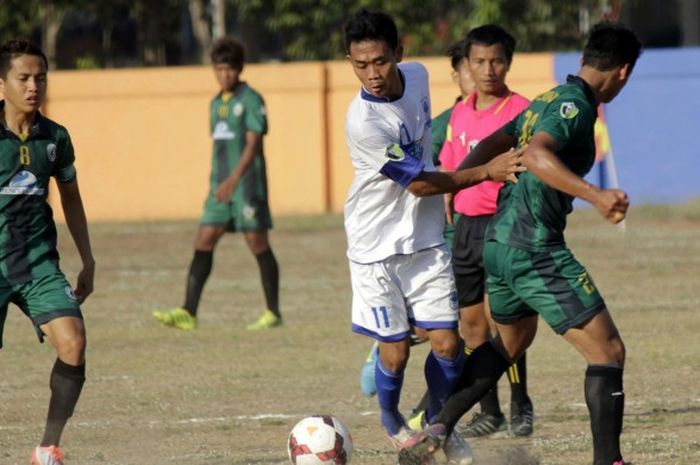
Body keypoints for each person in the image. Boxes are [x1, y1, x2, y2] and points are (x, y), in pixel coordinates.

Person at [398, 22, 642, 465]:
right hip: (532, 246)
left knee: (508, 343)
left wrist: (458, 184)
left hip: (499, 242)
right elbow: (534, 155)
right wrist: (597, 195)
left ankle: (437, 427)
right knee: (608, 351)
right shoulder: (573, 107)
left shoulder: (547, 99)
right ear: (623, 72)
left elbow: (496, 140)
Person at [342, 9, 524, 463]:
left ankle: (436, 426)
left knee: (448, 343)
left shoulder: (419, 76)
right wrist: (485, 171)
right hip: (374, 247)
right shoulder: (364, 121)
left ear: (399, 53)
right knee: (397, 354)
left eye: (380, 61)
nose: (372, 75)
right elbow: (420, 183)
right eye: (360, 65)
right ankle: (390, 420)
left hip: (424, 240)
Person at [358, 39, 475, 399]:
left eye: (491, 62)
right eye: (472, 66)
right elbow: (423, 180)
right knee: (456, 325)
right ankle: (390, 342)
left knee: (472, 326)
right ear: (455, 75)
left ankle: (493, 411)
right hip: (427, 228)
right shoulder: (445, 122)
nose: (482, 74)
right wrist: (482, 174)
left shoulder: (510, 110)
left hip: (480, 225)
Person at [0, 39, 95, 465]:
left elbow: (71, 199)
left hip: (38, 263)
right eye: (23, 78)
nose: (33, 85)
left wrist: (88, 259)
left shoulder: (55, 138)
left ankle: (47, 447)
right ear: (3, 84)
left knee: (73, 344)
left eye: (40, 77)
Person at [438, 25, 534, 438]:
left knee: (506, 321)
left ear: (508, 62)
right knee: (472, 327)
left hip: (505, 227)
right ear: (467, 65)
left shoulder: (523, 111)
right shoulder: (460, 112)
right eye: (479, 61)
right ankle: (488, 411)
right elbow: (451, 166)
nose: (488, 69)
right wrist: (447, 190)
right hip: (465, 230)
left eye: (496, 60)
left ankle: (521, 403)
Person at [153, 37, 281, 331]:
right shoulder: (214, 104)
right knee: (204, 239)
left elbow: (253, 144)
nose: (224, 75)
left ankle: (273, 312)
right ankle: (188, 311)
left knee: (257, 243)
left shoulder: (251, 100)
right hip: (220, 189)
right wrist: (218, 182)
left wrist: (235, 179)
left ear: (239, 69)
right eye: (219, 69)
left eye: (230, 69)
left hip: (247, 186)